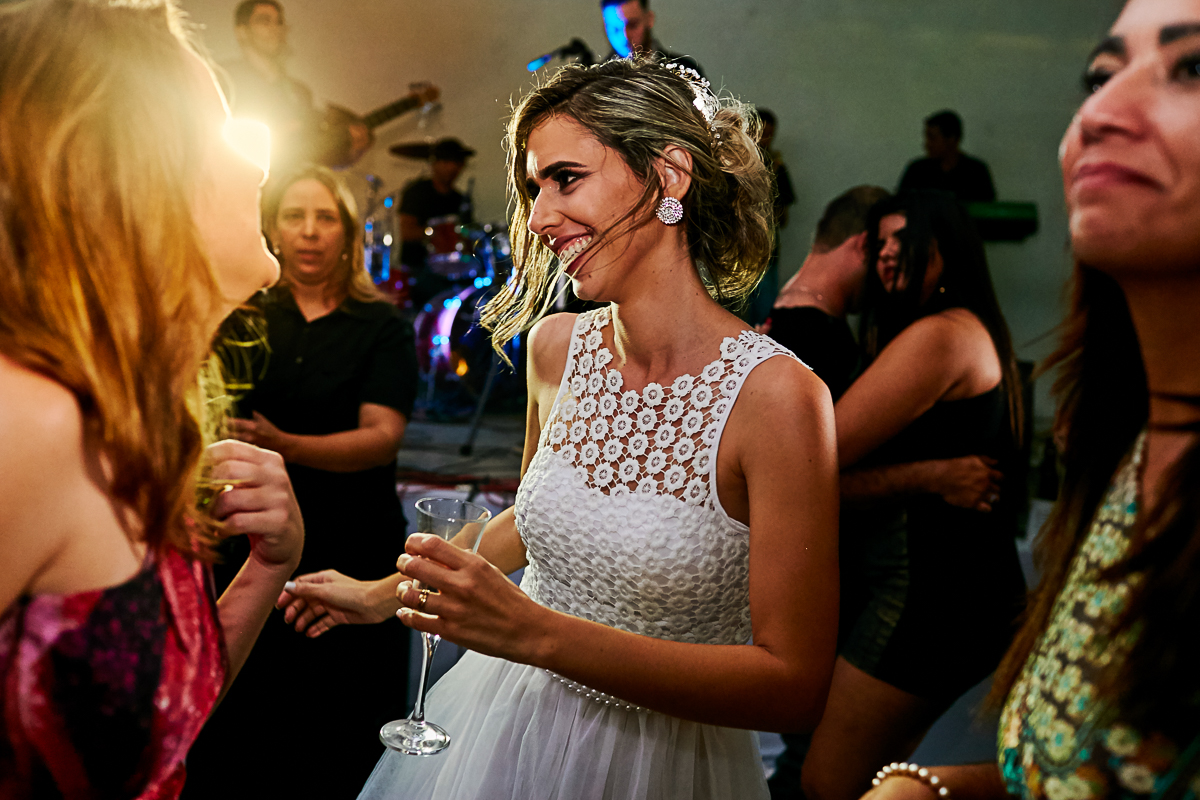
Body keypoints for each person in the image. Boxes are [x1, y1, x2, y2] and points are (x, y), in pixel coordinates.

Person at [277, 55, 840, 799]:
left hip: (659, 765)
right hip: (502, 727)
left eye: (567, 179)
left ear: (669, 176)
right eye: (534, 188)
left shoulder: (779, 400)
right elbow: (537, 517)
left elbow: (793, 686)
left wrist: (535, 634)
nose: (539, 219)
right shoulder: (556, 349)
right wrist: (384, 595)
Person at [860, 3, 1200, 800]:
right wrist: (926, 788)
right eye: (1099, 78)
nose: (1099, 112)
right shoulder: (1124, 446)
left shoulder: (947, 330)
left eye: (1192, 69)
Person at [0, 1, 302, 797]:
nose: (259, 165)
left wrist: (270, 570)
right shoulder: (30, 421)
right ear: (132, 172)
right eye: (226, 129)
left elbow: (159, 727)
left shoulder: (151, 425)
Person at [764, 188, 1013, 799]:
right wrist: (933, 476)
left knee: (826, 780)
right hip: (951, 589)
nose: (889, 253)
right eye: (882, 240)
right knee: (867, 774)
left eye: (907, 238)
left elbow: (818, 460)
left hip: (936, 593)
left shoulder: (942, 336)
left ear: (946, 248)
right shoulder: (942, 329)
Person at [183, 165, 419, 800]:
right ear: (273, 231)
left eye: (326, 219)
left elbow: (381, 438)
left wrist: (283, 446)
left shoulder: (381, 326)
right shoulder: (240, 314)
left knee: (337, 720)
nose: (310, 232)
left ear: (347, 235)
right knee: (240, 715)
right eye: (295, 216)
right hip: (244, 539)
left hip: (350, 534)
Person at [399, 137, 477, 308]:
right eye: (447, 161)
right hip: (419, 269)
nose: (453, 168)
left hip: (451, 270)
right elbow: (406, 232)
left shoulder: (460, 199)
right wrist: (437, 233)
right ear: (434, 164)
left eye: (457, 162)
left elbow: (467, 235)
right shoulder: (416, 192)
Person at [742, 108, 797, 326]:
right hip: (736, 244)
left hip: (766, 246)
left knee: (764, 306)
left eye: (770, 134)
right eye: (761, 133)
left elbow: (784, 215)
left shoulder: (777, 167)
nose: (766, 140)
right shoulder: (732, 165)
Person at [897, 110, 996, 204]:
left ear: (951, 140)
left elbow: (985, 209)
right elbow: (901, 204)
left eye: (932, 138)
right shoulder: (917, 170)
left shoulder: (976, 172)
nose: (927, 144)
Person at [601, 0, 705, 76]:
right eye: (614, 29)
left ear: (649, 19)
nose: (624, 36)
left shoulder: (685, 71)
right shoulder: (599, 79)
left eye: (633, 25)